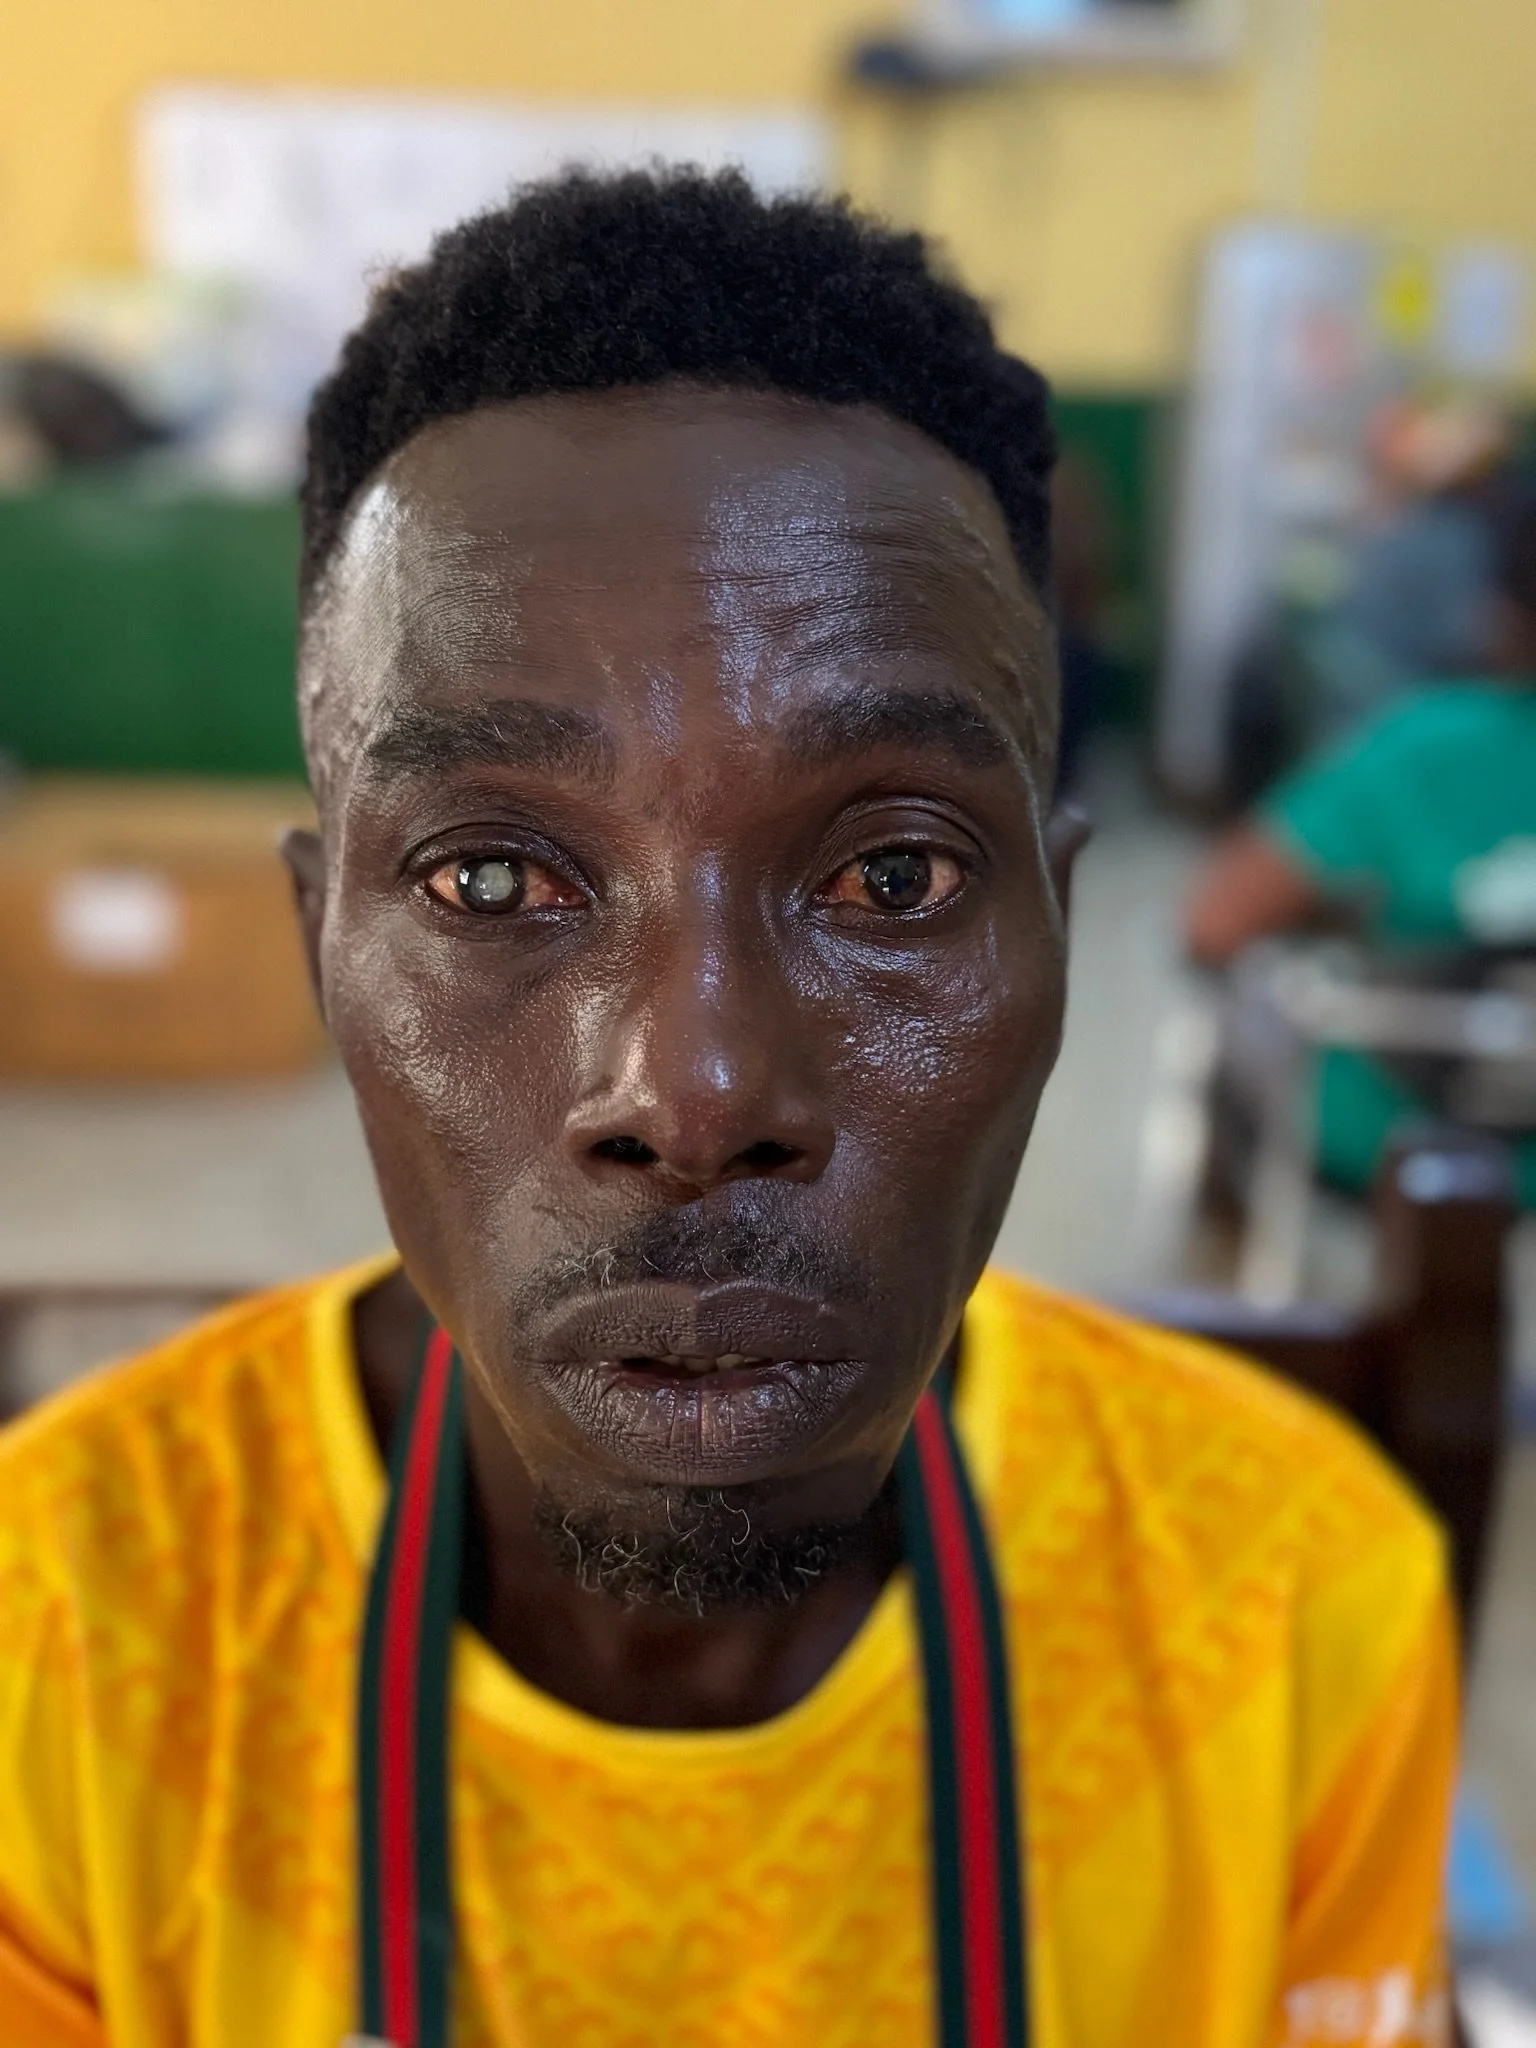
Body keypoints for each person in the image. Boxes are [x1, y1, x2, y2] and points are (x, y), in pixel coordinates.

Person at [0, 169, 1454, 2048]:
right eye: (493, 883)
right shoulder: (50, 1636)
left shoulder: (1294, 1601)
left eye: (897, 880)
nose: (690, 1092)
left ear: (1060, 928)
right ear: (320, 942)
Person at [1188, 485, 1536, 1206]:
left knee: (1237, 1037)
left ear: (1504, 612)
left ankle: (1224, 1277)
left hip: (1392, 1148)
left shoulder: (1433, 744)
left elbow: (1213, 924)